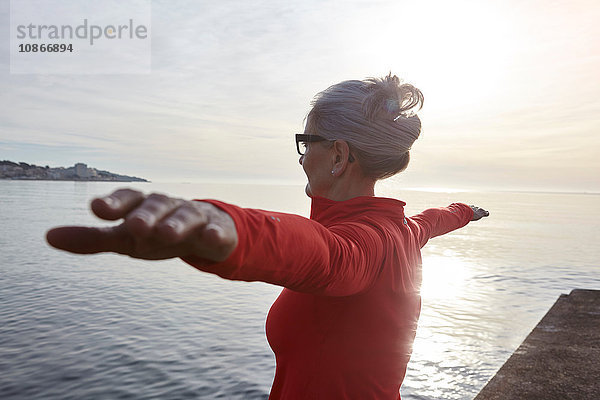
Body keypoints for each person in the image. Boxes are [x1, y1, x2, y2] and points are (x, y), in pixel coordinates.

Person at [47, 73, 489, 399]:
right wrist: (467, 211)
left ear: (337, 154)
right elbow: (438, 217)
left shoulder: (365, 243)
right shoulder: (404, 230)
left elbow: (327, 256)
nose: (300, 159)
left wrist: (228, 227)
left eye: (306, 142)